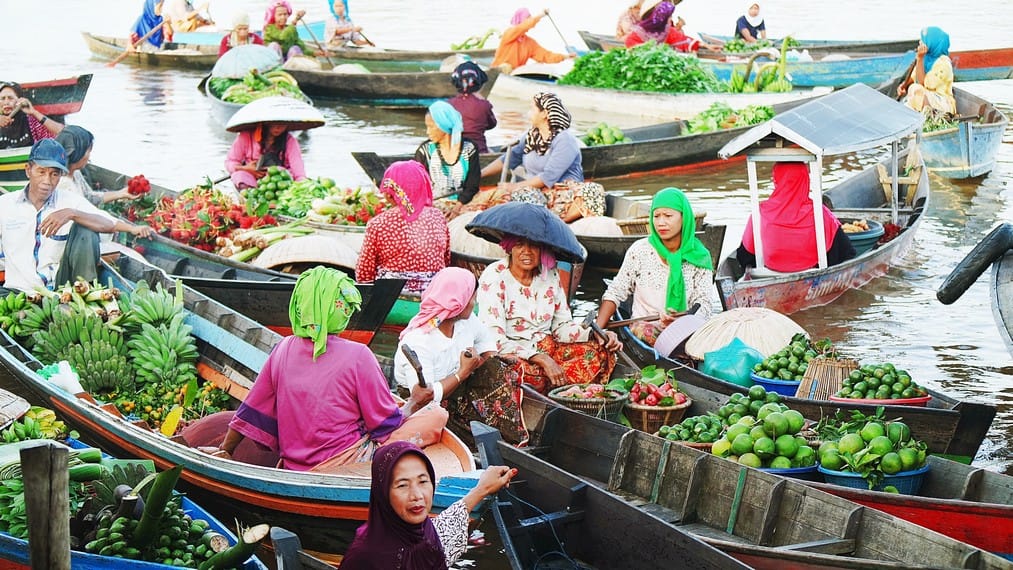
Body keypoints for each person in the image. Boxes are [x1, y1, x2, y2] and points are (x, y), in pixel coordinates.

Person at [197, 267, 448, 471]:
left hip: (294, 464)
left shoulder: (283, 348)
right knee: (436, 414)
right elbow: (385, 426)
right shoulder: (359, 355)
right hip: (345, 462)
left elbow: (251, 409)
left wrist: (226, 450)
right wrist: (414, 402)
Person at [476, 232, 621, 394]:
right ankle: (559, 390)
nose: (527, 251)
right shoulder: (494, 276)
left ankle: (563, 393)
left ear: (542, 249)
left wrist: (595, 334)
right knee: (523, 375)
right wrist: (540, 358)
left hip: (550, 348)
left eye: (534, 245)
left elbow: (561, 327)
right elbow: (494, 339)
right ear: (509, 248)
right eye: (519, 245)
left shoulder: (550, 274)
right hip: (515, 353)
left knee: (600, 351)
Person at [340, 441, 517, 570]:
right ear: (383, 493)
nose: (417, 495)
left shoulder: (424, 532)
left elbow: (444, 529)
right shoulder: (364, 555)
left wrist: (483, 488)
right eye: (402, 485)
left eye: (423, 481)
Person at [0, 139, 122, 293]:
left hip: (61, 289)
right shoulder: (5, 205)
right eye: (41, 172)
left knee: (86, 230)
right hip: (17, 291)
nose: (47, 181)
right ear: (28, 170)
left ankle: (84, 294)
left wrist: (72, 214)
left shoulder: (70, 201)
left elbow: (109, 225)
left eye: (54, 174)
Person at [595, 188, 713, 346]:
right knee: (645, 332)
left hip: (685, 330)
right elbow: (616, 291)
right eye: (656, 216)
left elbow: (704, 304)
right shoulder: (640, 250)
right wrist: (597, 330)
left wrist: (680, 321)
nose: (661, 222)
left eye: (668, 216)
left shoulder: (700, 256)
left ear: (684, 218)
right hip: (646, 329)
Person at [475, 93, 605, 223]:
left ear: (544, 114)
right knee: (519, 198)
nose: (528, 113)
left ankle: (563, 221)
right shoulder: (530, 137)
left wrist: (514, 186)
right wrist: (479, 175)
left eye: (532, 109)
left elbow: (548, 177)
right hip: (537, 194)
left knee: (594, 190)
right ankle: (546, 219)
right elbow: (508, 159)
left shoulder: (564, 139)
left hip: (565, 194)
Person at [736, 162, 856, 273]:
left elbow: (744, 256)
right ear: (805, 180)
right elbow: (847, 253)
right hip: (812, 275)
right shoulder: (820, 213)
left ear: (776, 180)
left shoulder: (760, 212)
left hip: (768, 274)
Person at [356, 161, 450, 294]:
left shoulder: (378, 223)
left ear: (389, 194)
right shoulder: (438, 216)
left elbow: (364, 274)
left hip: (390, 295)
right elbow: (446, 259)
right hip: (433, 293)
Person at [53, 127, 155, 240]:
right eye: (88, 151)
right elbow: (91, 214)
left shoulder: (74, 173)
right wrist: (131, 228)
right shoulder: (64, 184)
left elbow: (88, 197)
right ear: (78, 154)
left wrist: (121, 194)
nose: (89, 156)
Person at [413, 101, 481, 214]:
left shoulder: (469, 149)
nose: (427, 132)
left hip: (462, 204)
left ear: (443, 125)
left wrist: (457, 208)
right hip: (433, 205)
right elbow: (418, 187)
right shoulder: (424, 151)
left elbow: (472, 186)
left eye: (431, 127)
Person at [225, 122, 307, 190]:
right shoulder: (246, 136)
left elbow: (299, 172)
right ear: (265, 123)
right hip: (251, 178)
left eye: (283, 124)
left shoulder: (290, 141)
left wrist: (302, 187)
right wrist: (246, 168)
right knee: (239, 176)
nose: (278, 127)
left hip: (278, 182)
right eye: (274, 123)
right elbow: (230, 162)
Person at [491, 8, 575, 73]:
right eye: (527, 18)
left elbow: (546, 56)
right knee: (506, 66)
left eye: (530, 17)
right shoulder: (509, 34)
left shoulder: (529, 43)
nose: (530, 20)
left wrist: (565, 57)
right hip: (498, 72)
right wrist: (540, 15)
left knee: (538, 65)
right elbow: (523, 27)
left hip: (515, 73)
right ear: (520, 20)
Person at [899, 27, 956, 116]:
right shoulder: (926, 59)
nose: (920, 42)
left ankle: (924, 117)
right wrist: (904, 86)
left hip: (943, 104)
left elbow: (922, 83)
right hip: (925, 98)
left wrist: (920, 59)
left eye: (923, 40)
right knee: (912, 90)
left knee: (916, 89)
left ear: (932, 43)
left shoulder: (943, 63)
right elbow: (914, 78)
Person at [447, 61, 497, 154]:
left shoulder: (449, 104)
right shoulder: (484, 105)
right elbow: (492, 124)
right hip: (479, 151)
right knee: (491, 152)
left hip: (455, 153)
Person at [0, 82, 63, 150]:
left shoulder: (30, 122)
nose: (6, 102)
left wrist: (34, 112)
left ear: (20, 100)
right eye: (2, 98)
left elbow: (64, 133)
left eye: (10, 98)